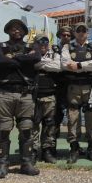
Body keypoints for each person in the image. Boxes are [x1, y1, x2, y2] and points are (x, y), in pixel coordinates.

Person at [0, 19, 40, 179]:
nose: (16, 30)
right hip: (5, 93)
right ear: (8, 31)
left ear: (25, 31)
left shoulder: (32, 46)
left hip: (25, 94)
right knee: (3, 129)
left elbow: (36, 57)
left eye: (19, 28)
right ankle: (2, 164)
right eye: (13, 28)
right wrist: (24, 58)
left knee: (26, 129)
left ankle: (26, 163)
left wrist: (13, 58)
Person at [60, 22, 92, 163]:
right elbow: (65, 64)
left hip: (91, 87)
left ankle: (91, 148)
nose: (81, 33)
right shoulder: (67, 47)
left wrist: (78, 65)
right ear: (75, 33)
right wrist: (86, 66)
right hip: (73, 87)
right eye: (78, 30)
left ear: (87, 33)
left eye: (84, 30)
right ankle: (74, 148)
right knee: (73, 117)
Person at [33, 35, 62, 163]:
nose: (43, 45)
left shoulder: (55, 54)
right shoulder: (30, 54)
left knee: (49, 124)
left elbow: (58, 66)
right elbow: (30, 65)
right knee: (33, 124)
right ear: (35, 44)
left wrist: (40, 64)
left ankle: (47, 151)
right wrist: (47, 64)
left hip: (50, 95)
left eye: (45, 42)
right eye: (40, 42)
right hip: (33, 96)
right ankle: (33, 151)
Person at [51, 26, 74, 159]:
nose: (65, 37)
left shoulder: (75, 48)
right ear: (59, 36)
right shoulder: (53, 49)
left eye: (68, 35)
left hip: (72, 87)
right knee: (55, 119)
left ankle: (74, 148)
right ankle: (51, 147)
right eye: (63, 35)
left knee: (73, 119)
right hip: (57, 88)